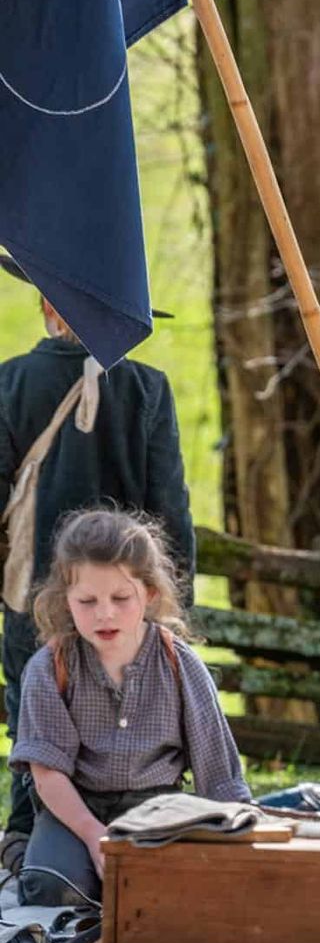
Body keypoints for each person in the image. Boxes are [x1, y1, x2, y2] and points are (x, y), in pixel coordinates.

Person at [0, 255, 194, 876]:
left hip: (30, 597)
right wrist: (169, 601)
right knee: (126, 713)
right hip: (127, 605)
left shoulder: (8, 384)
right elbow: (169, 509)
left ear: (49, 308)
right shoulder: (146, 389)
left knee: (31, 715)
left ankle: (29, 835)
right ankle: (124, 836)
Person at [9, 509, 250, 907]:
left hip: (156, 808)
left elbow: (218, 770)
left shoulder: (179, 663)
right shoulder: (50, 668)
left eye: (121, 598)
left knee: (170, 888)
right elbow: (47, 772)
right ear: (66, 600)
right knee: (49, 886)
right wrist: (91, 834)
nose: (105, 613)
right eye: (87, 601)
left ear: (150, 594)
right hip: (77, 807)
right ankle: (27, 854)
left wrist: (241, 834)